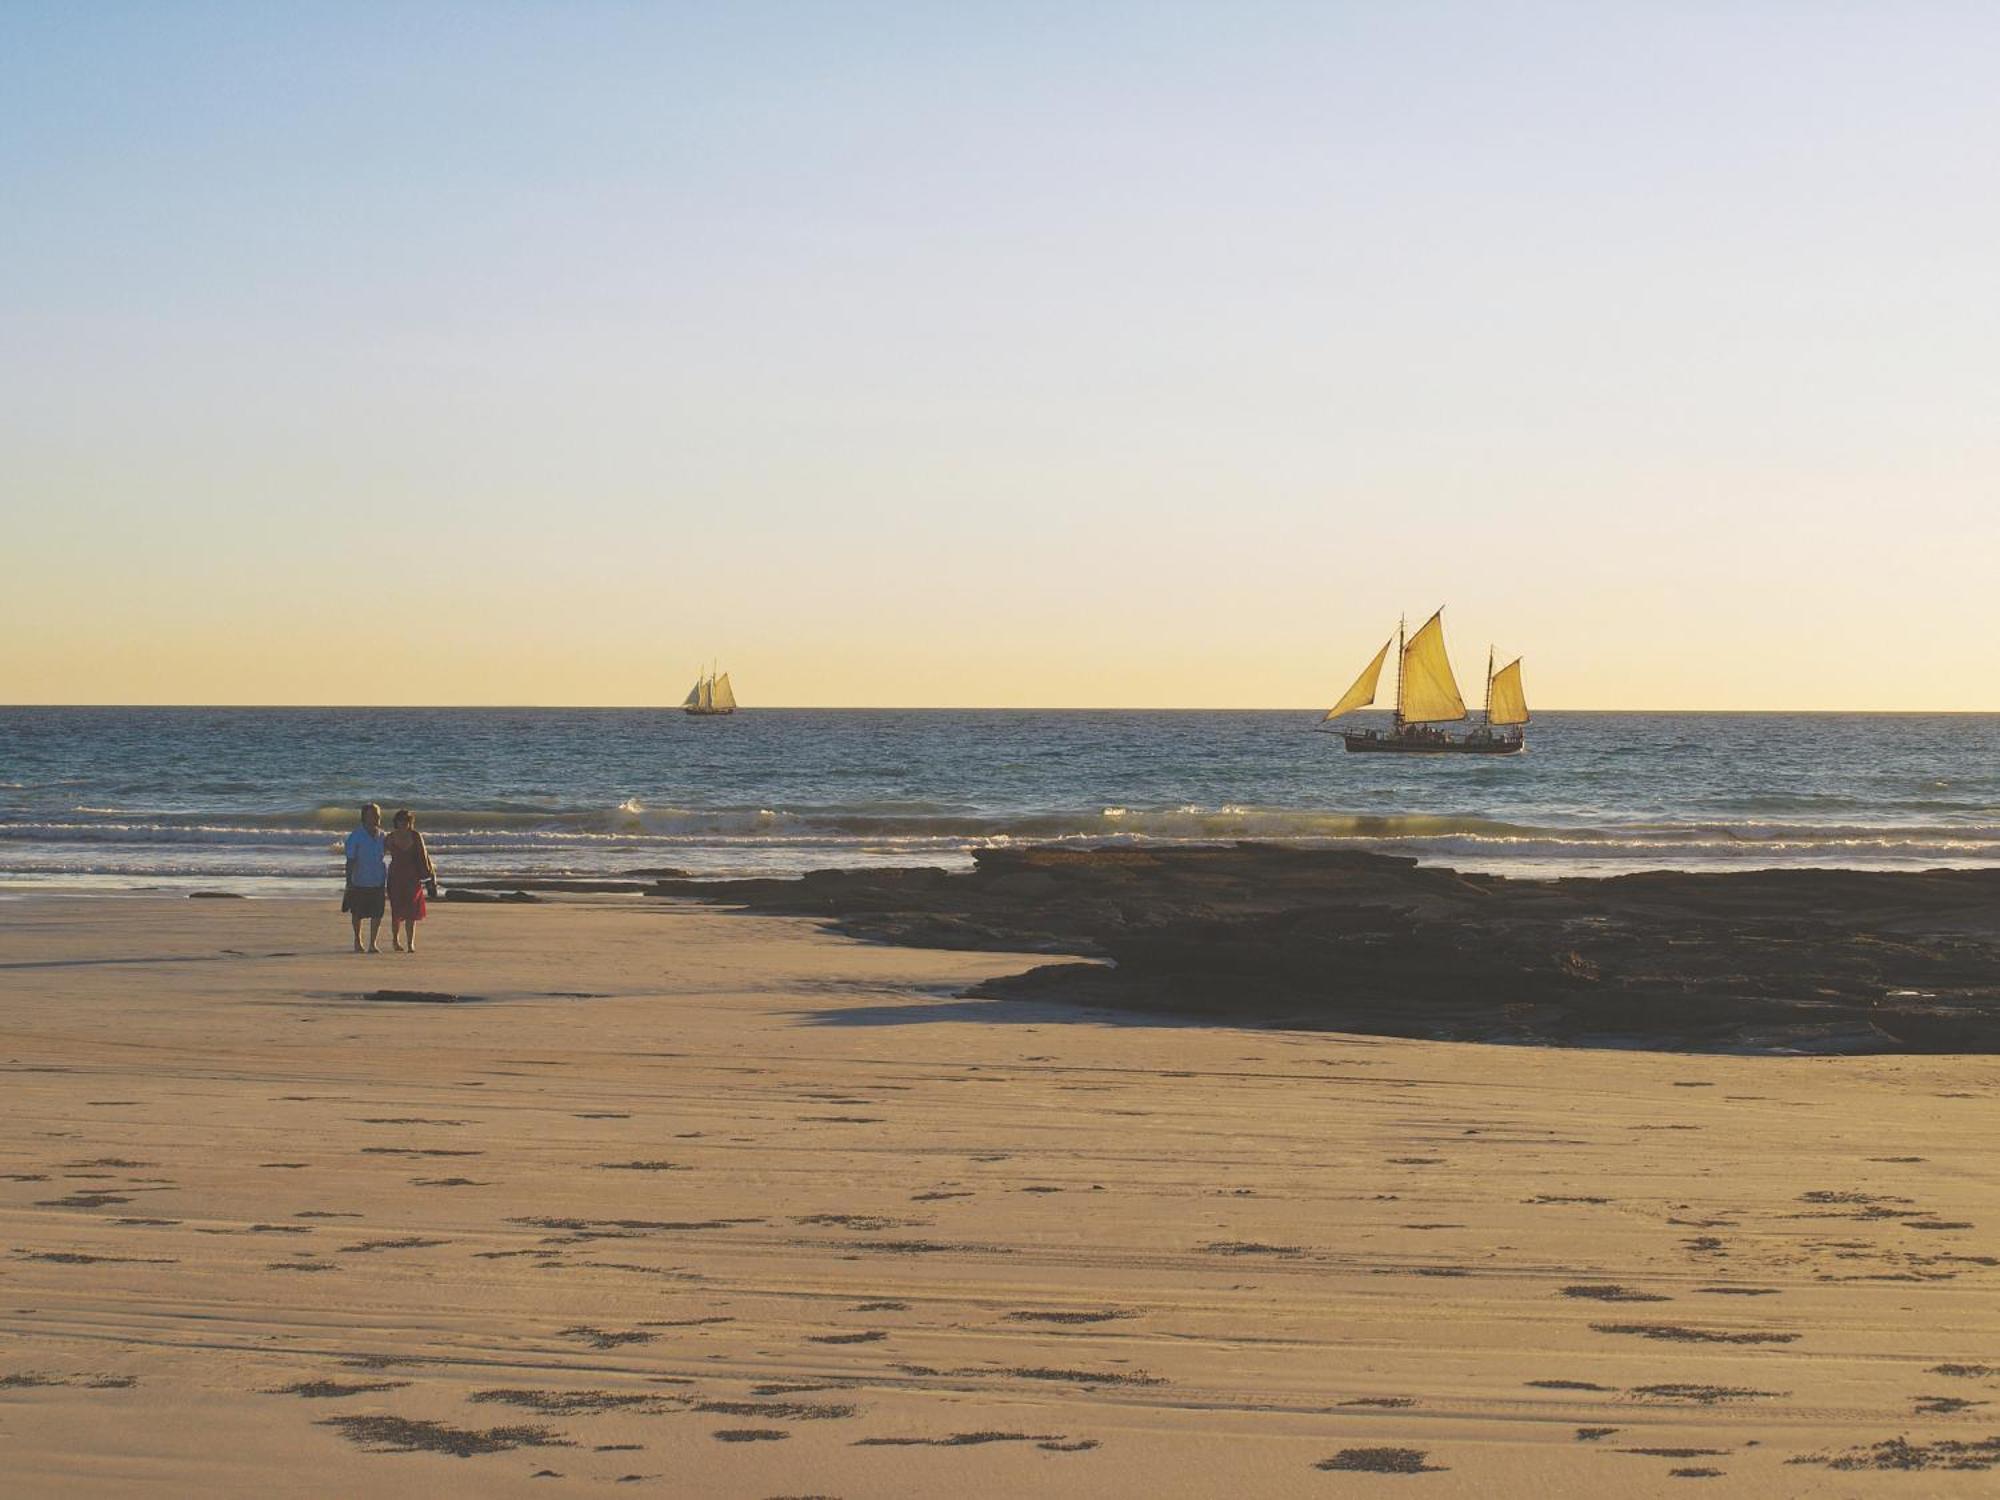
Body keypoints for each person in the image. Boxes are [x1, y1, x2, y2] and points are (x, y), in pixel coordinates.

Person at [384, 808, 437, 953]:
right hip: (395, 876)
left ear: (410, 822)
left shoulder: (415, 836)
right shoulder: (390, 837)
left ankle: (410, 943)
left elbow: (424, 856)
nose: (403, 824)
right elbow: (378, 854)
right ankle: (395, 940)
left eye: (406, 821)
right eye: (401, 821)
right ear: (396, 822)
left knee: (411, 912)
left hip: (412, 877)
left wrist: (431, 876)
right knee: (397, 910)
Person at [343, 803, 389, 953]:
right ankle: (358, 940)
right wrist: (349, 882)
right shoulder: (356, 836)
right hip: (360, 880)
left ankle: (373, 943)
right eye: (373, 814)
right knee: (357, 913)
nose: (376, 817)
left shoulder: (383, 836)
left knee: (377, 913)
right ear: (364, 817)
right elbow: (350, 860)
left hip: (378, 879)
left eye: (377, 814)